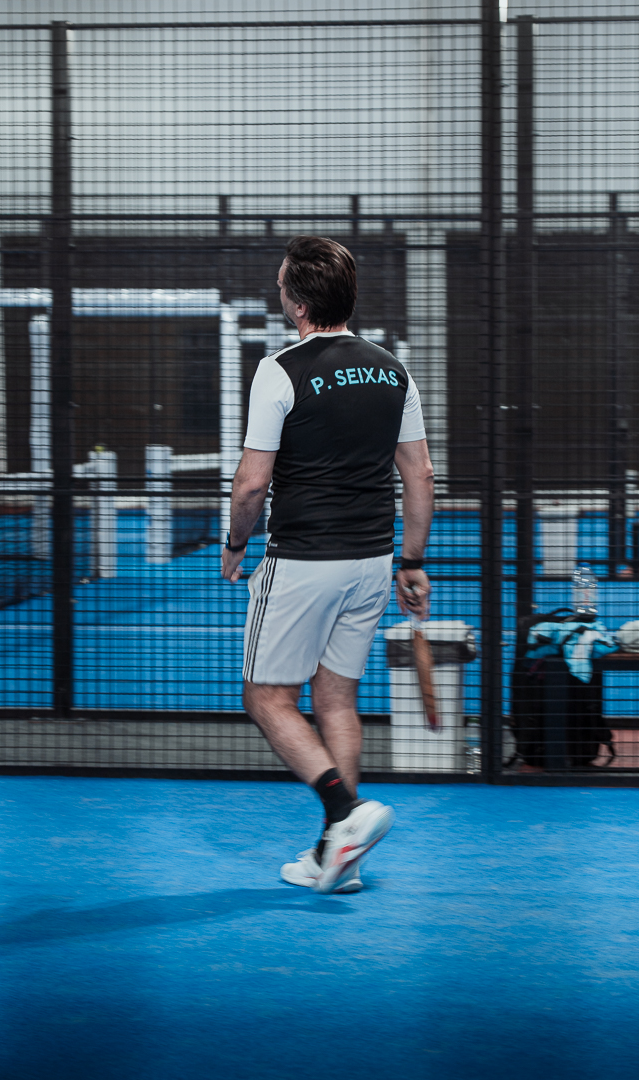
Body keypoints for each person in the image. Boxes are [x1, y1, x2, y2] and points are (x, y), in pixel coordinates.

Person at [221, 235, 434, 894]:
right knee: (336, 698)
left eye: (282, 282)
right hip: (372, 562)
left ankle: (345, 813)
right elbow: (421, 475)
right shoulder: (393, 370)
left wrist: (235, 543)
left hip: (303, 561)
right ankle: (337, 860)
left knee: (266, 696)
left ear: (298, 303)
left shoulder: (279, 370)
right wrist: (412, 561)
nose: (279, 289)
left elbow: (252, 484)